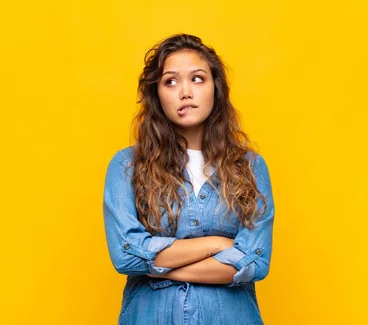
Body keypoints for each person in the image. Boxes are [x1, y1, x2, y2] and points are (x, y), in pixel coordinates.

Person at [103, 33, 275, 325]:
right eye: (170, 81)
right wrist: (219, 244)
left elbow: (255, 262)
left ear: (215, 88)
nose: (185, 91)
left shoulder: (250, 166)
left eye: (197, 78)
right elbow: (127, 255)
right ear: (157, 94)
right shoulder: (127, 166)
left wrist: (157, 267)